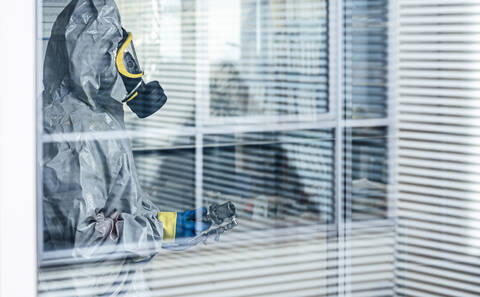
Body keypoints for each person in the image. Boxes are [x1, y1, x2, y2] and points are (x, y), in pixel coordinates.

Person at [41, 0, 210, 295]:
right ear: (93, 56)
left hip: (110, 281)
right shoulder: (77, 129)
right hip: (92, 287)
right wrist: (161, 231)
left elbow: (115, 206)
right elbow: (89, 239)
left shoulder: (96, 115)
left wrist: (167, 223)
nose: (125, 61)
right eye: (115, 48)